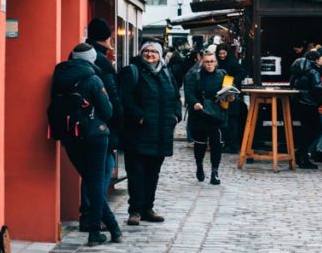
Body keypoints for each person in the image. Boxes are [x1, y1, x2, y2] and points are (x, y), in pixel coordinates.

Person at [50, 44, 117, 247]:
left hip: (69, 136)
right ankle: (96, 231)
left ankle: (113, 227)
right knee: (96, 182)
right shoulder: (93, 78)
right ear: (92, 59)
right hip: (95, 135)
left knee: (90, 179)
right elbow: (107, 111)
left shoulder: (59, 77)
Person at [118, 41, 181, 225]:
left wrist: (176, 116)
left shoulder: (166, 73)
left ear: (160, 55)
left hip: (161, 133)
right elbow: (124, 99)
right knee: (136, 173)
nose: (150, 54)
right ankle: (135, 210)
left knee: (153, 173)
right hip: (138, 133)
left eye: (154, 51)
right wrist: (139, 117)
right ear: (140, 53)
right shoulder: (132, 71)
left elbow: (176, 97)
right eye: (146, 51)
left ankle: (148, 208)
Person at [80, 18, 123, 238]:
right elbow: (111, 99)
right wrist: (118, 120)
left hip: (79, 128)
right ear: (106, 37)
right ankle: (96, 218)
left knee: (91, 173)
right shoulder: (101, 62)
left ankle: (90, 216)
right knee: (102, 172)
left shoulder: (77, 57)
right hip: (99, 128)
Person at [184, 51, 227, 184]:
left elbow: (228, 91)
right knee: (200, 143)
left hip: (216, 113)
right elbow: (188, 93)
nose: (209, 64)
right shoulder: (194, 75)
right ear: (202, 62)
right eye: (207, 61)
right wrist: (195, 103)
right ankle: (199, 166)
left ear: (216, 62)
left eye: (212, 61)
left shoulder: (222, 75)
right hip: (200, 113)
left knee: (216, 144)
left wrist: (230, 95)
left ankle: (215, 172)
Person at [289, 49, 322, 169]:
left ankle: (301, 155)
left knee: (305, 129)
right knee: (317, 129)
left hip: (298, 103)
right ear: (316, 60)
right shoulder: (313, 71)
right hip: (310, 104)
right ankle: (302, 154)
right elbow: (317, 88)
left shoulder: (296, 70)